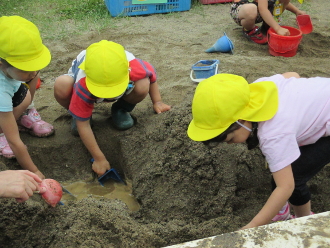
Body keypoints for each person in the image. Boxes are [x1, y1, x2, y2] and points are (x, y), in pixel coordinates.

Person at [187, 72, 330, 230]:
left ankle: (305, 222)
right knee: (280, 169)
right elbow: (293, 75)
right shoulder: (259, 89)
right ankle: (281, 212)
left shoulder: (273, 135)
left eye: (230, 139)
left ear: (241, 121)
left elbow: (286, 187)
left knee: (295, 177)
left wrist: (253, 226)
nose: (229, 144)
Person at [54, 40, 171, 176]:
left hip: (125, 81)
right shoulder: (82, 83)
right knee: (62, 85)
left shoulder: (134, 67)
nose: (108, 97)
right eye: (103, 91)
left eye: (113, 91)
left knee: (143, 85)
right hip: (81, 87)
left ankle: (121, 109)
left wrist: (158, 102)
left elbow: (151, 76)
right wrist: (99, 158)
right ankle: (80, 113)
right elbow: (83, 126)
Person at [0, 16, 54, 179]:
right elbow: (16, 143)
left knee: (26, 95)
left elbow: (31, 72)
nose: (33, 72)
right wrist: (35, 172)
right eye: (26, 68)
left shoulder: (22, 68)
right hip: (3, 102)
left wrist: (28, 73)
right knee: (10, 131)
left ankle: (25, 112)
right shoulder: (1, 91)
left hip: (10, 92)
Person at [230, 0, 306, 44]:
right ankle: (249, 30)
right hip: (242, 10)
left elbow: (280, 2)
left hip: (260, 10)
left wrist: (296, 11)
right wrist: (278, 28)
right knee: (250, 9)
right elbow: (263, 9)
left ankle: (268, 26)